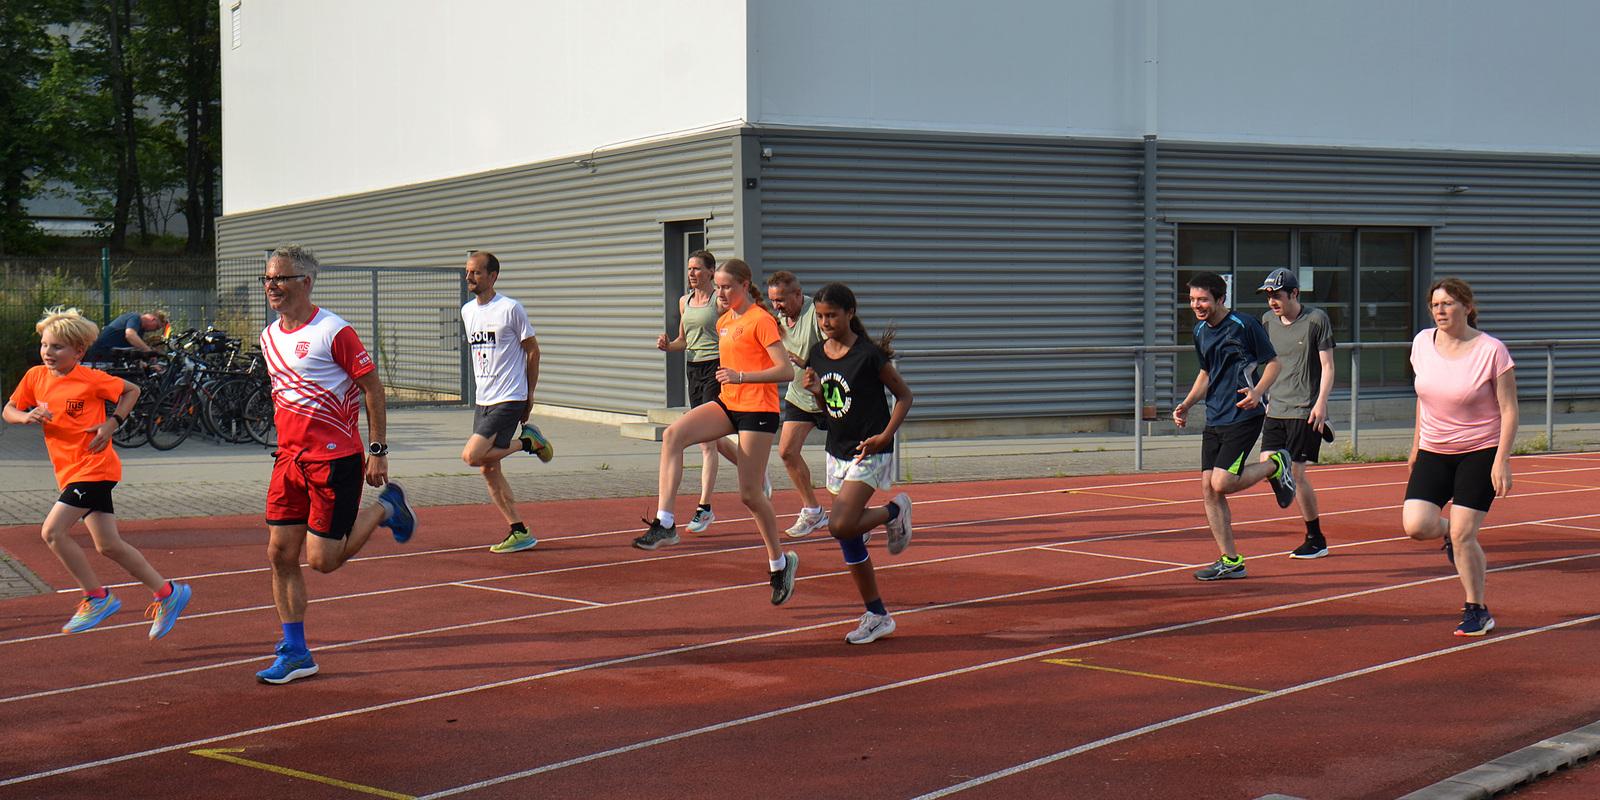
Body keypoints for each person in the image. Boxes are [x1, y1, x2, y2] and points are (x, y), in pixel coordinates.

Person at [255, 244, 416, 684]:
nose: (272, 286)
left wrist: (378, 450)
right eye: (268, 278)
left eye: (281, 278)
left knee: (323, 561)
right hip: (288, 461)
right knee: (279, 554)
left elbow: (373, 390)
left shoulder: (334, 331)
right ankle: (297, 651)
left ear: (305, 283)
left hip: (335, 462)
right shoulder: (269, 337)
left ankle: (387, 507)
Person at [3, 307, 192, 639]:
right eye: (45, 345)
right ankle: (168, 593)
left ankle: (97, 597)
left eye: (57, 347)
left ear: (78, 351)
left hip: (94, 468)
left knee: (52, 532)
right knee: (108, 545)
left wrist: (111, 423)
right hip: (70, 472)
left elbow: (131, 390)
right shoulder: (35, 377)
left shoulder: (90, 380)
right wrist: (27, 417)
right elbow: (9, 409)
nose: (48, 352)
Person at [634, 258, 800, 606]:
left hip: (758, 410)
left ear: (743, 285)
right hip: (729, 404)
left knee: (751, 496)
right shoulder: (724, 322)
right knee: (673, 435)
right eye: (719, 287)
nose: (721, 293)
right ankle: (665, 522)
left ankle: (779, 563)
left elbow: (785, 371)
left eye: (727, 287)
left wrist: (743, 378)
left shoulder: (761, 320)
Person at [1401, 277, 1517, 637]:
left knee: (1467, 534)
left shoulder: (1491, 350)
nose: (1440, 310)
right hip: (1435, 449)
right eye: (1435, 304)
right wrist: (1416, 442)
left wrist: (1502, 460)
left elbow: (1509, 410)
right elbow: (1424, 396)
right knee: (1416, 526)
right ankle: (1453, 534)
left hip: (1479, 451)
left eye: (1448, 303)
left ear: (1467, 307)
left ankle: (1476, 608)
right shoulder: (1422, 343)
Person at [802, 283, 913, 644]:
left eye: (832, 315)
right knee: (849, 537)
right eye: (820, 316)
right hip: (837, 451)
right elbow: (829, 409)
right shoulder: (817, 354)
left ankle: (894, 512)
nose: (825, 322)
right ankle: (877, 614)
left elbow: (904, 396)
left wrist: (885, 436)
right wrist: (818, 395)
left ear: (850, 313)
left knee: (841, 524)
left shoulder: (868, 355)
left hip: (871, 449)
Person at [1172, 271, 1295, 581]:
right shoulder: (1200, 330)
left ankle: (1275, 465)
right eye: (1192, 300)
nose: (1196, 305)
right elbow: (1206, 373)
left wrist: (1257, 392)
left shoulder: (1244, 325)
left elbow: (1274, 363)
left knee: (1222, 482)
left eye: (1202, 299)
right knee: (1207, 488)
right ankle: (1231, 560)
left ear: (1220, 299)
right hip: (1215, 415)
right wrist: (1187, 404)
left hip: (1244, 413)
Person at [460, 251, 555, 554]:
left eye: (475, 272)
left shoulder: (511, 309)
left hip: (510, 396)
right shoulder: (467, 312)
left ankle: (528, 443)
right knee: (488, 468)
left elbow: (533, 352)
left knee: (473, 456)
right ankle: (519, 530)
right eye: (467, 272)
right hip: (484, 399)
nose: (469, 278)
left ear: (492, 276)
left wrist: (529, 395)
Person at [656, 249, 741, 533]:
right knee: (713, 440)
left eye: (696, 269)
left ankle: (705, 508)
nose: (691, 273)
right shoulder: (685, 302)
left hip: (716, 369)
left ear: (710, 272)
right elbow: (683, 339)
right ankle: (751, 467)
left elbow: (735, 330)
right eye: (689, 268)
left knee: (706, 442)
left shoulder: (720, 301)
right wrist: (669, 346)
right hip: (693, 369)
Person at [1256, 268, 1337, 558]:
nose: (1272, 302)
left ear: (1294, 294)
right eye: (1268, 297)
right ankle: (1286, 474)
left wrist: (1321, 402)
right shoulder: (1267, 321)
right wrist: (1259, 393)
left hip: (1304, 408)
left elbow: (1328, 367)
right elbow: (1267, 361)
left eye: (1277, 296)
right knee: (1267, 464)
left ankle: (1315, 538)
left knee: (1296, 473)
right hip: (1275, 407)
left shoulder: (1316, 319)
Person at [766, 270, 830, 538]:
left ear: (797, 294)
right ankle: (813, 511)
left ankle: (853, 519)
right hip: (799, 395)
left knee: (843, 464)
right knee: (787, 451)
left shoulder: (817, 314)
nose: (777, 306)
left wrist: (807, 364)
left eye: (781, 300)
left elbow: (839, 352)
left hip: (830, 395)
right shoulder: (777, 319)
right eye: (772, 300)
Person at [85, 310, 167, 360]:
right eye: (156, 327)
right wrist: (149, 351)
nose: (154, 330)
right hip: (100, 354)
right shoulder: (135, 318)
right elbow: (130, 335)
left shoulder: (140, 331)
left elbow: (135, 348)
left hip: (111, 355)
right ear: (152, 319)